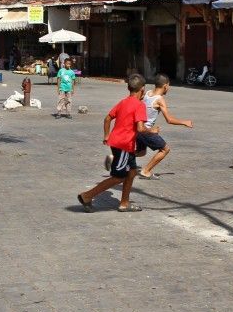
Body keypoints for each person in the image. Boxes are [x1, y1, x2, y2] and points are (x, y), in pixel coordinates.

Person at [76, 74, 156, 213]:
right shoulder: (139, 105)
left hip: (120, 143)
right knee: (119, 177)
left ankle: (124, 203)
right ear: (142, 89)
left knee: (131, 172)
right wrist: (152, 131)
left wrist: (107, 135)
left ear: (128, 87)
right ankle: (86, 196)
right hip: (124, 145)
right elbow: (140, 128)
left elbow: (107, 118)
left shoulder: (123, 102)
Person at [137, 73, 193, 179]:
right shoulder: (159, 99)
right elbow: (169, 120)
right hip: (147, 130)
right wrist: (184, 122)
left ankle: (119, 157)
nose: (169, 88)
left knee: (141, 152)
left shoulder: (147, 93)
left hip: (138, 128)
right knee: (165, 149)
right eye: (169, 86)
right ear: (165, 86)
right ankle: (145, 171)